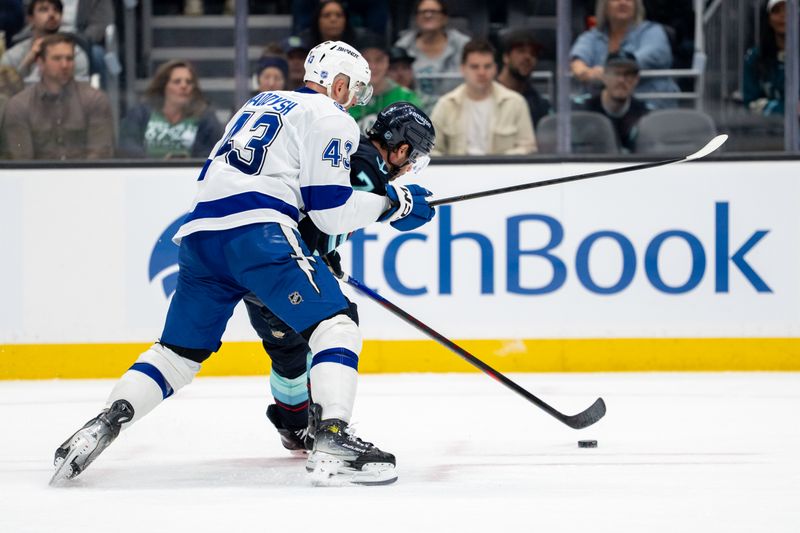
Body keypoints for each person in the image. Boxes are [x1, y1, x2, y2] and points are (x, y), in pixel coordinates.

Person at [50, 40, 436, 487]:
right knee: (337, 325)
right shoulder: (331, 117)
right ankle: (333, 436)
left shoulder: (257, 103)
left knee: (176, 356)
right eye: (355, 90)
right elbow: (328, 210)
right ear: (340, 81)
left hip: (199, 238)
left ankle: (107, 420)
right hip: (258, 235)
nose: (354, 101)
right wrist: (395, 203)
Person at [245, 102, 436, 453]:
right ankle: (326, 425)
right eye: (413, 159)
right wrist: (394, 207)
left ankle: (293, 426)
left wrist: (326, 252)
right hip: (287, 266)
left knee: (286, 351)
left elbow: (320, 215)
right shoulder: (368, 165)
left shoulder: (352, 152)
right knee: (337, 323)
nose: (409, 167)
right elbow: (338, 210)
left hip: (261, 262)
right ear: (403, 149)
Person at [2, 33, 112, 160]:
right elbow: (20, 160)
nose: (65, 65)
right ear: (40, 63)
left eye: (69, 59)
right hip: (35, 178)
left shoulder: (95, 101)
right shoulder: (19, 106)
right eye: (57, 59)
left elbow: (100, 156)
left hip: (86, 178)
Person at [430, 39, 536, 156]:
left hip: (503, 172)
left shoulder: (516, 103)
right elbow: (432, 149)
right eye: (475, 67)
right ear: (463, 69)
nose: (481, 72)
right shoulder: (446, 104)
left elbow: (528, 148)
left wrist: (500, 164)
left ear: (495, 68)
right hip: (458, 172)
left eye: (487, 66)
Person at [570, 0, 679, 109]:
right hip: (602, 112)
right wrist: (583, 71)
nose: (623, 2)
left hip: (650, 108)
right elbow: (577, 62)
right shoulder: (592, 36)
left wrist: (606, 72)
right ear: (605, 6)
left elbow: (654, 54)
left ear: (636, 6)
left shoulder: (652, 31)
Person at [118, 60, 223, 159]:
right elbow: (127, 145)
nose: (184, 86)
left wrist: (190, 162)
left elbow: (215, 150)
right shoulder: (141, 113)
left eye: (189, 82)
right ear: (164, 86)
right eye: (177, 82)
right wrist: (155, 163)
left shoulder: (206, 117)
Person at [394, 0, 471, 112]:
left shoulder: (464, 46)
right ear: (416, 18)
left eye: (434, 11)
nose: (428, 15)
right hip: (413, 112)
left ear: (445, 18)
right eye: (423, 11)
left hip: (458, 110)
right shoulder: (402, 47)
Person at [575, 50, 650, 152]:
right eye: (616, 73)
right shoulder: (584, 110)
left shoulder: (644, 115)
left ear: (636, 79)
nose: (621, 80)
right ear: (604, 76)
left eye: (628, 74)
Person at [0, 0, 90, 84]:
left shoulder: (75, 54)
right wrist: (28, 61)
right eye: (44, 10)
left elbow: (80, 94)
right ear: (30, 19)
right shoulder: (13, 56)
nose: (52, 14)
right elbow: (6, 91)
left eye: (56, 10)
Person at [348, 39, 423, 133]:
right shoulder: (344, 97)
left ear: (387, 61)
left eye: (379, 59)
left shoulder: (406, 97)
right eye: (366, 60)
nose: (373, 66)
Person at [743, 0, 799, 117]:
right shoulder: (755, 57)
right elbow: (751, 102)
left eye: (788, 10)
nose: (783, 15)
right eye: (776, 11)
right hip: (768, 129)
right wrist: (787, 109)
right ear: (768, 18)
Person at [496, 29, 552, 129]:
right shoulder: (487, 94)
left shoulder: (539, 104)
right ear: (506, 57)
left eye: (533, 53)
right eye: (521, 51)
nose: (528, 57)